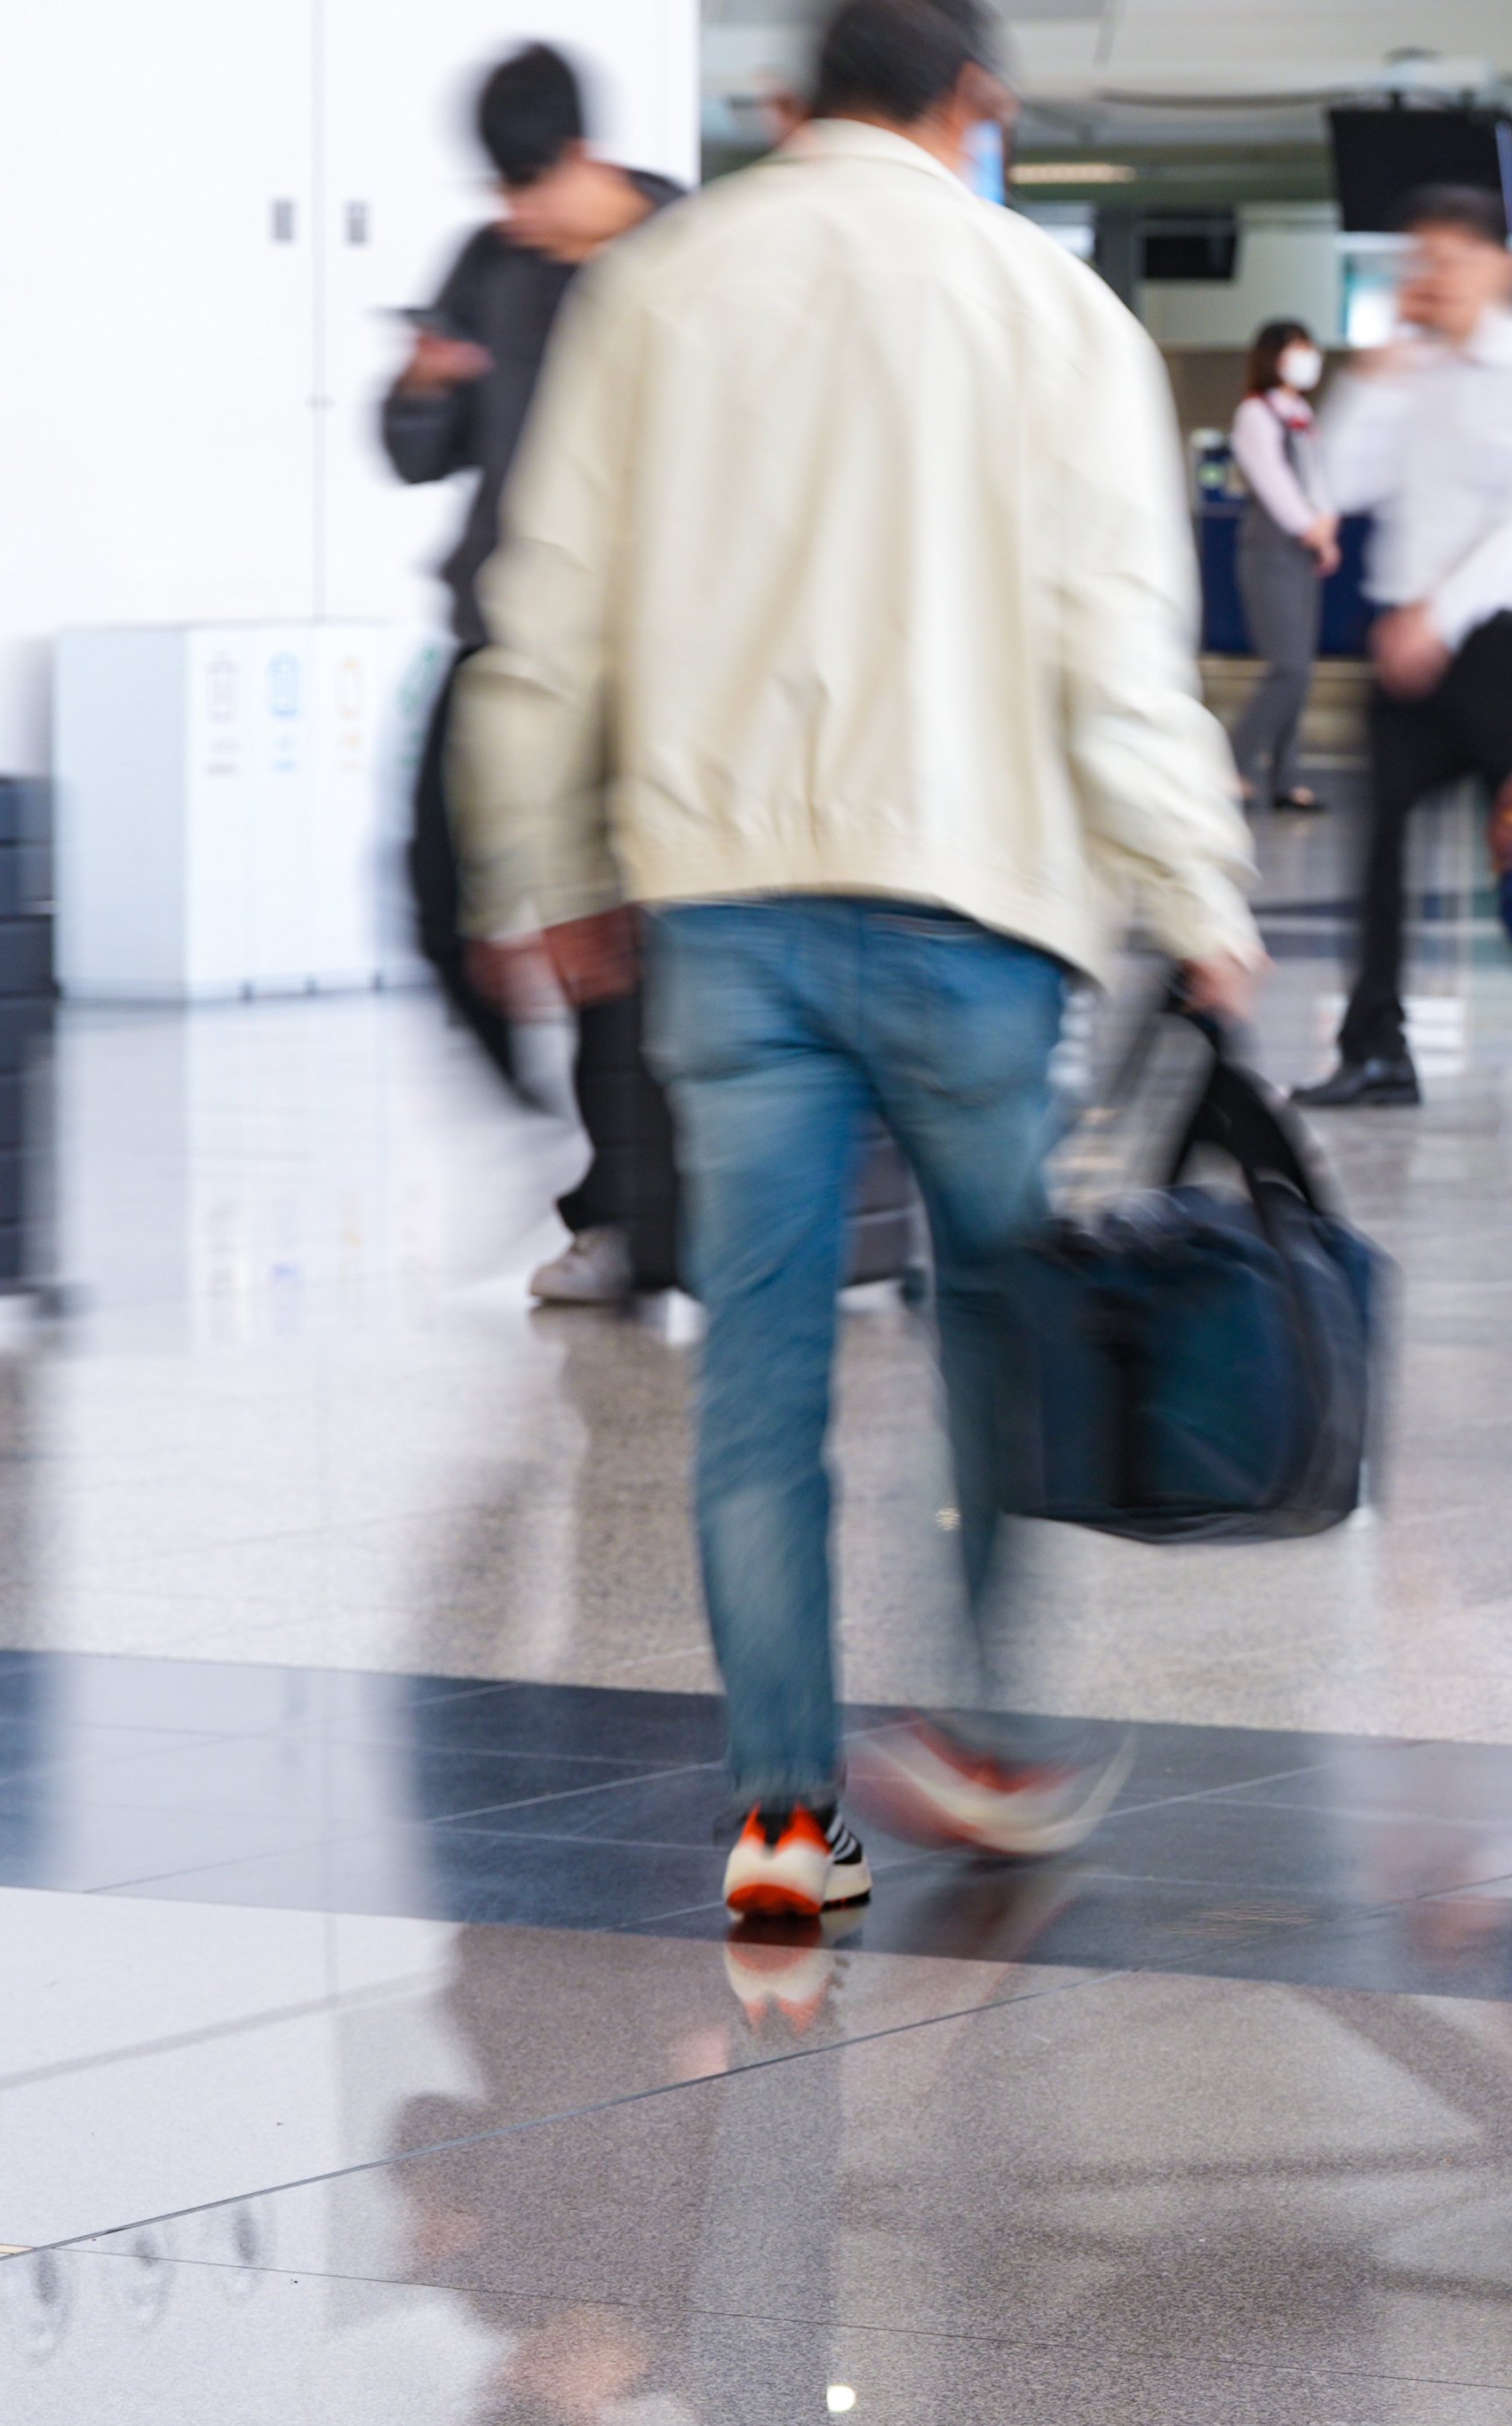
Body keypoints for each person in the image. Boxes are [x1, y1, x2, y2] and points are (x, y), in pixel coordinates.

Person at [454, 0, 1263, 1922]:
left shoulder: (656, 287)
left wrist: (537, 859)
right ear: (976, 102)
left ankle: (784, 1817)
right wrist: (1200, 896)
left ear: (782, 98)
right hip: (978, 917)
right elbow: (1114, 653)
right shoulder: (1052, 309)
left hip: (724, 913)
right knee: (1001, 1334)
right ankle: (986, 1733)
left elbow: (546, 606)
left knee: (758, 1372)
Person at [382, 43, 684, 1306]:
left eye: (530, 186)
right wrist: (418, 389)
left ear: (583, 155)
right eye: (496, 191)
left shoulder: (680, 248)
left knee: (607, 934)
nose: (514, 216)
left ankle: (624, 1215)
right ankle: (531, 1113)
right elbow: (410, 452)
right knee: (429, 875)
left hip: (637, 645)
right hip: (501, 624)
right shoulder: (488, 263)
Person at [1292, 185, 1512, 1110]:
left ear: (1508, 266)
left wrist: (1440, 615)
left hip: (1490, 642)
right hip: (1400, 648)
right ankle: (1377, 1050)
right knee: (1376, 852)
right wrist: (1372, 383)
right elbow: (1332, 484)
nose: (1436, 276)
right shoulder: (1408, 370)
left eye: (1455, 257)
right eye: (1422, 258)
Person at [1225, 318, 1338, 815]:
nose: (1307, 358)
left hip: (1304, 546)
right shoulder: (1256, 413)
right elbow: (1272, 481)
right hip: (1270, 547)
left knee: (1303, 670)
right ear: (1273, 356)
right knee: (1288, 668)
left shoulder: (1301, 413)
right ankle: (1229, 764)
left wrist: (1327, 526)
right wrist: (1309, 527)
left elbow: (1317, 477)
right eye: (1297, 349)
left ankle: (1286, 778)